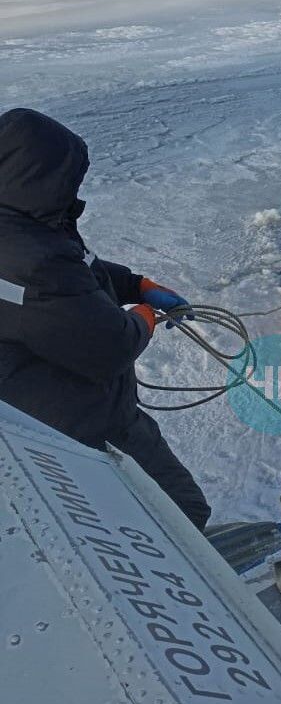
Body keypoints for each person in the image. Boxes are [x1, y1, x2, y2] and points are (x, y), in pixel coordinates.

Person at [0, 108, 211, 530]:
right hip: (84, 426)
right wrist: (147, 315)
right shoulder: (33, 258)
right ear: (38, 176)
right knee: (181, 515)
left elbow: (74, 269)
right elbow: (109, 346)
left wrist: (136, 283)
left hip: (48, 412)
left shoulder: (22, 228)